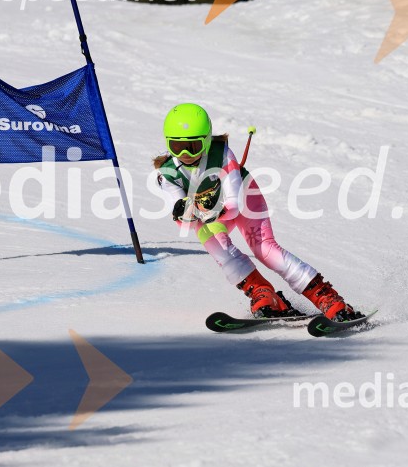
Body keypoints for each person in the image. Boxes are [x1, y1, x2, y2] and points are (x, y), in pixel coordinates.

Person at [153, 103, 361, 321]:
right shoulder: (167, 173)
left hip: (245, 199)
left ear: (206, 140)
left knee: (264, 249)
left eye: (193, 146)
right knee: (211, 239)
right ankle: (262, 293)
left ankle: (327, 298)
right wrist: (185, 213)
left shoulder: (221, 154)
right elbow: (183, 219)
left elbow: (234, 205)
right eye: (176, 147)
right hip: (215, 213)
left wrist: (205, 210)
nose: (185, 154)